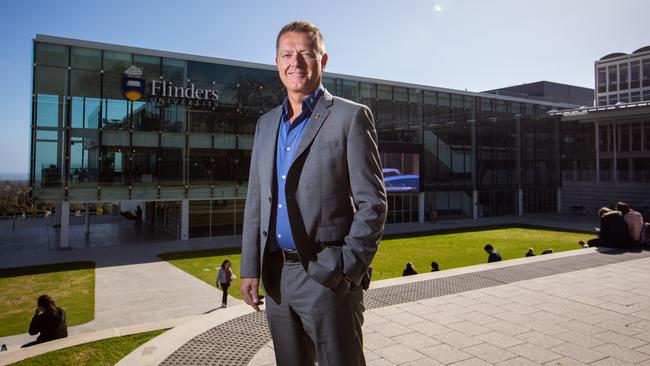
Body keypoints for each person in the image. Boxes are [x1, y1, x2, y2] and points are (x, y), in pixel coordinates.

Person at [239, 21, 386, 366]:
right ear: (277, 63)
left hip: (327, 276)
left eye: (306, 53)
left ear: (323, 60)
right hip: (275, 278)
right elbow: (257, 201)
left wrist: (347, 268)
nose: (296, 62)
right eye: (287, 55)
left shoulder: (351, 117)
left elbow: (373, 203)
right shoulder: (265, 124)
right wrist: (250, 268)